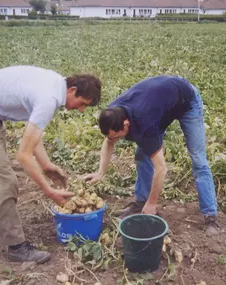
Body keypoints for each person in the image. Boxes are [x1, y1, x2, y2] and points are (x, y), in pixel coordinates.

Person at [0, 65, 101, 263]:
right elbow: (23, 155)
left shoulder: (53, 84)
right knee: (5, 181)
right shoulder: (50, 98)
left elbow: (33, 137)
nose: (80, 109)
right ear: (72, 90)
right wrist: (49, 190)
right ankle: (15, 246)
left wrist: (46, 166)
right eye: (82, 103)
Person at [84, 75, 219, 236]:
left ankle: (210, 215)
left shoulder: (144, 122)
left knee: (198, 159)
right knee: (142, 154)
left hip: (186, 101)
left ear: (126, 124)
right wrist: (101, 172)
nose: (116, 139)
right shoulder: (113, 113)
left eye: (118, 135)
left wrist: (153, 203)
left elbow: (161, 168)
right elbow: (109, 142)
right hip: (160, 106)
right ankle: (141, 201)